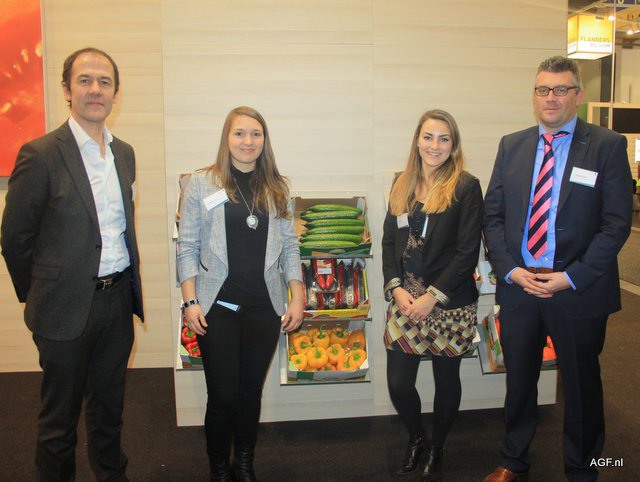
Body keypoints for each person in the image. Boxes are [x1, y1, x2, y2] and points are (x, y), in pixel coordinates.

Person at [483, 56, 632, 482]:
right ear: (534, 96)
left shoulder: (606, 146)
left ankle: (584, 469)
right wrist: (510, 270)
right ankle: (513, 460)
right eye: (543, 90)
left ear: (578, 95)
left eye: (561, 89)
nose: (551, 98)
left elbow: (616, 224)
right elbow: (493, 216)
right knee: (519, 381)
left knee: (581, 386)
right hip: (521, 286)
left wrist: (571, 277)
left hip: (577, 288)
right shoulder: (512, 145)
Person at [1, 47, 144, 480]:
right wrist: (43, 295)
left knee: (109, 408)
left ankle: (112, 474)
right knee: (58, 422)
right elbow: (14, 239)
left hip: (116, 303)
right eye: (85, 81)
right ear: (66, 90)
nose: (95, 90)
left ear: (115, 92)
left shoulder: (124, 154)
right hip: (63, 308)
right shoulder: (40, 154)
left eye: (104, 82)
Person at [177, 106, 304, 481]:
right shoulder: (202, 184)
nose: (248, 141)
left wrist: (297, 296)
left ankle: (244, 462)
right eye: (240, 133)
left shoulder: (278, 188)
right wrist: (190, 301)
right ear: (227, 138)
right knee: (223, 396)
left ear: (264, 140)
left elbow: (290, 247)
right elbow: (187, 246)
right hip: (216, 306)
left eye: (256, 134)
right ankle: (219, 467)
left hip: (263, 307)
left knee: (250, 393)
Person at [382, 109, 483, 481]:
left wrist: (433, 296)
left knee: (446, 380)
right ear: (417, 140)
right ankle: (417, 438)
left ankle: (437, 446)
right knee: (399, 384)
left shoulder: (465, 186)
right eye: (428, 137)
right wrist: (395, 288)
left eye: (444, 138)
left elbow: (467, 251)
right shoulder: (402, 183)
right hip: (405, 303)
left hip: (449, 304)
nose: (434, 145)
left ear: (453, 145)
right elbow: (389, 241)